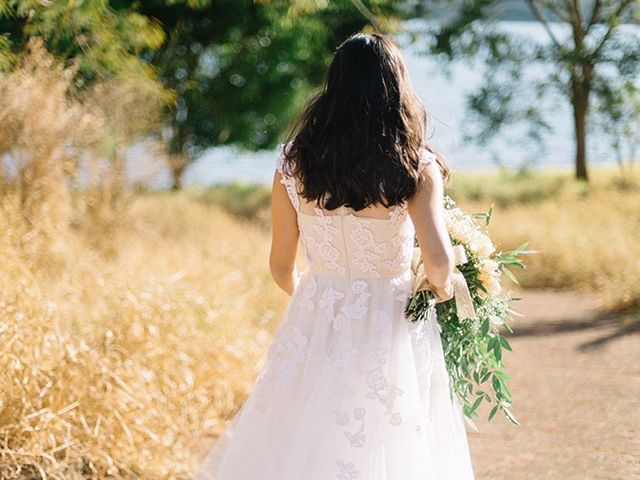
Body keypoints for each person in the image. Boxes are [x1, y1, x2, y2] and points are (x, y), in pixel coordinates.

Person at [193, 32, 475, 479]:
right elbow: (439, 262)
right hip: (393, 319)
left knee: (303, 438)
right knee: (388, 440)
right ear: (396, 89)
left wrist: (320, 305)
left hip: (318, 314)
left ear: (334, 87)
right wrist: (443, 291)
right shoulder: (415, 167)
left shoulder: (292, 162)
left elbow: (280, 266)